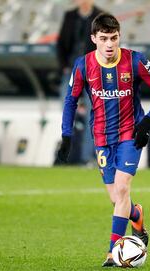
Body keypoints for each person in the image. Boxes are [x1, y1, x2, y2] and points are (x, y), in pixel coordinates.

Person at [57, 13, 150, 266]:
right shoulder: (83, 65)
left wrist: (147, 121)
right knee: (116, 198)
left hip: (131, 134)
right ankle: (136, 215)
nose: (110, 44)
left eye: (114, 38)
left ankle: (113, 252)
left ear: (119, 37)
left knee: (122, 189)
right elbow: (70, 100)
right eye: (104, 38)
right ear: (93, 38)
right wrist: (66, 135)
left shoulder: (134, 61)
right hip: (101, 137)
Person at [57, 0, 103, 165]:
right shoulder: (70, 16)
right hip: (71, 70)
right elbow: (61, 43)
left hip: (92, 72)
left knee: (94, 114)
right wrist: (63, 66)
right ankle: (67, 154)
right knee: (67, 109)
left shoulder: (100, 16)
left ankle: (87, 157)